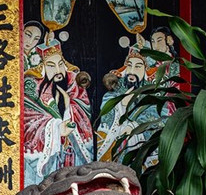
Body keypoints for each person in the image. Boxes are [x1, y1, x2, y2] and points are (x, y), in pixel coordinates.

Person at [23, 39, 93, 186]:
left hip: (69, 154)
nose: (58, 70)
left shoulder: (73, 88)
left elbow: (83, 114)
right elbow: (29, 122)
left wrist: (69, 106)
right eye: (51, 65)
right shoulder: (32, 90)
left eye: (60, 64)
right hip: (48, 158)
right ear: (42, 68)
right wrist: (55, 128)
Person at [96, 45, 162, 162]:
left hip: (139, 143)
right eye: (129, 66)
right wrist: (121, 104)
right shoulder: (117, 89)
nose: (131, 71)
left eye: (138, 67)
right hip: (115, 141)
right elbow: (105, 112)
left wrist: (133, 126)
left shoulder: (153, 92)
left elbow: (156, 117)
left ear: (145, 71)